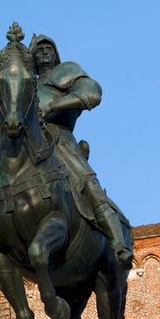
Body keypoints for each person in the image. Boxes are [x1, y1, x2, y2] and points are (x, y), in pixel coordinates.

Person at [29, 34, 133, 268]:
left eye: (49, 48)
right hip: (29, 143)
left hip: (60, 140)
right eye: (39, 50)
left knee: (89, 186)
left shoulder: (66, 71)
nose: (44, 52)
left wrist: (53, 106)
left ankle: (118, 244)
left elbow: (92, 93)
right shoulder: (25, 84)